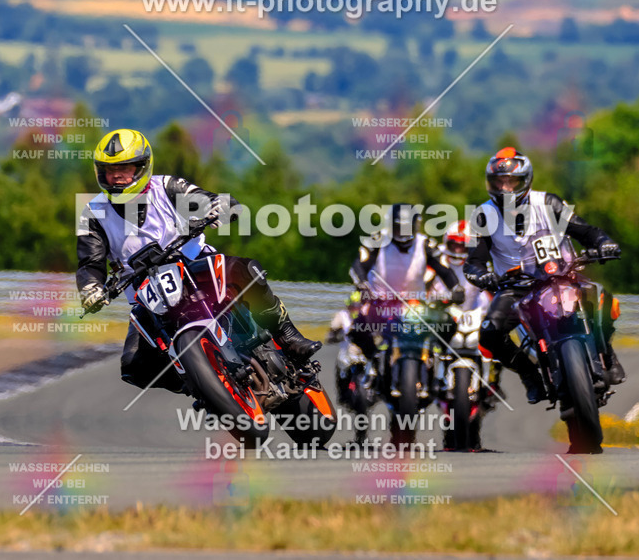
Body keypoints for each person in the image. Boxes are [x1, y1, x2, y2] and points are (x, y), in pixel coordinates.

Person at [76, 128, 321, 392]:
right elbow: (90, 263)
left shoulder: (166, 187)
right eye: (109, 170)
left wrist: (219, 207)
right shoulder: (93, 213)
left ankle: (288, 336)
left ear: (142, 167)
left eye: (124, 168)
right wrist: (90, 288)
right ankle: (200, 386)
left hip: (194, 264)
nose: (116, 176)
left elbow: (208, 200)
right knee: (134, 367)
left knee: (248, 270)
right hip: (147, 295)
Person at [464, 147, 625, 404]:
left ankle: (607, 352)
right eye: (499, 182)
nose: (505, 188)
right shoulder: (483, 215)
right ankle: (530, 375)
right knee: (490, 334)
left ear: (525, 180)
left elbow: (586, 231)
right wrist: (481, 275)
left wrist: (604, 243)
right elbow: (474, 261)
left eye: (511, 181)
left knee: (602, 296)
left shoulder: (549, 203)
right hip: (516, 286)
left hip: (562, 275)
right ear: (490, 184)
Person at [347, 203, 464, 358]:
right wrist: (362, 284)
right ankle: (372, 360)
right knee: (358, 329)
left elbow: (445, 271)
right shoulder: (377, 240)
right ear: (390, 226)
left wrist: (456, 288)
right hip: (381, 303)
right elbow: (358, 266)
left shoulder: (426, 244)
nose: (403, 233)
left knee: (447, 322)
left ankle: (437, 358)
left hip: (416, 305)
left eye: (407, 228)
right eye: (398, 228)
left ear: (416, 226)